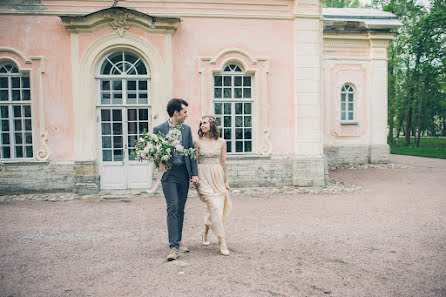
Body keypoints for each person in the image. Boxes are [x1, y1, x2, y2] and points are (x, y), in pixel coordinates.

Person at [153, 98, 199, 261]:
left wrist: (194, 174)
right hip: (169, 174)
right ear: (176, 113)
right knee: (172, 207)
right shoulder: (158, 129)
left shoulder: (187, 130)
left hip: (183, 174)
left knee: (180, 208)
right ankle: (173, 246)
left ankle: (178, 241)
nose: (187, 115)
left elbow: (191, 153)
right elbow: (154, 153)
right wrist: (159, 159)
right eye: (184, 112)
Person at [194, 116, 232, 256]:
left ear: (212, 124)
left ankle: (205, 232)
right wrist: (194, 176)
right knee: (214, 207)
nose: (202, 125)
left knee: (216, 208)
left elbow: (223, 162)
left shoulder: (222, 142)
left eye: (204, 122)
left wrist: (225, 180)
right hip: (203, 177)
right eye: (201, 122)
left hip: (217, 176)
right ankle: (222, 241)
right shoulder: (197, 142)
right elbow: (195, 162)